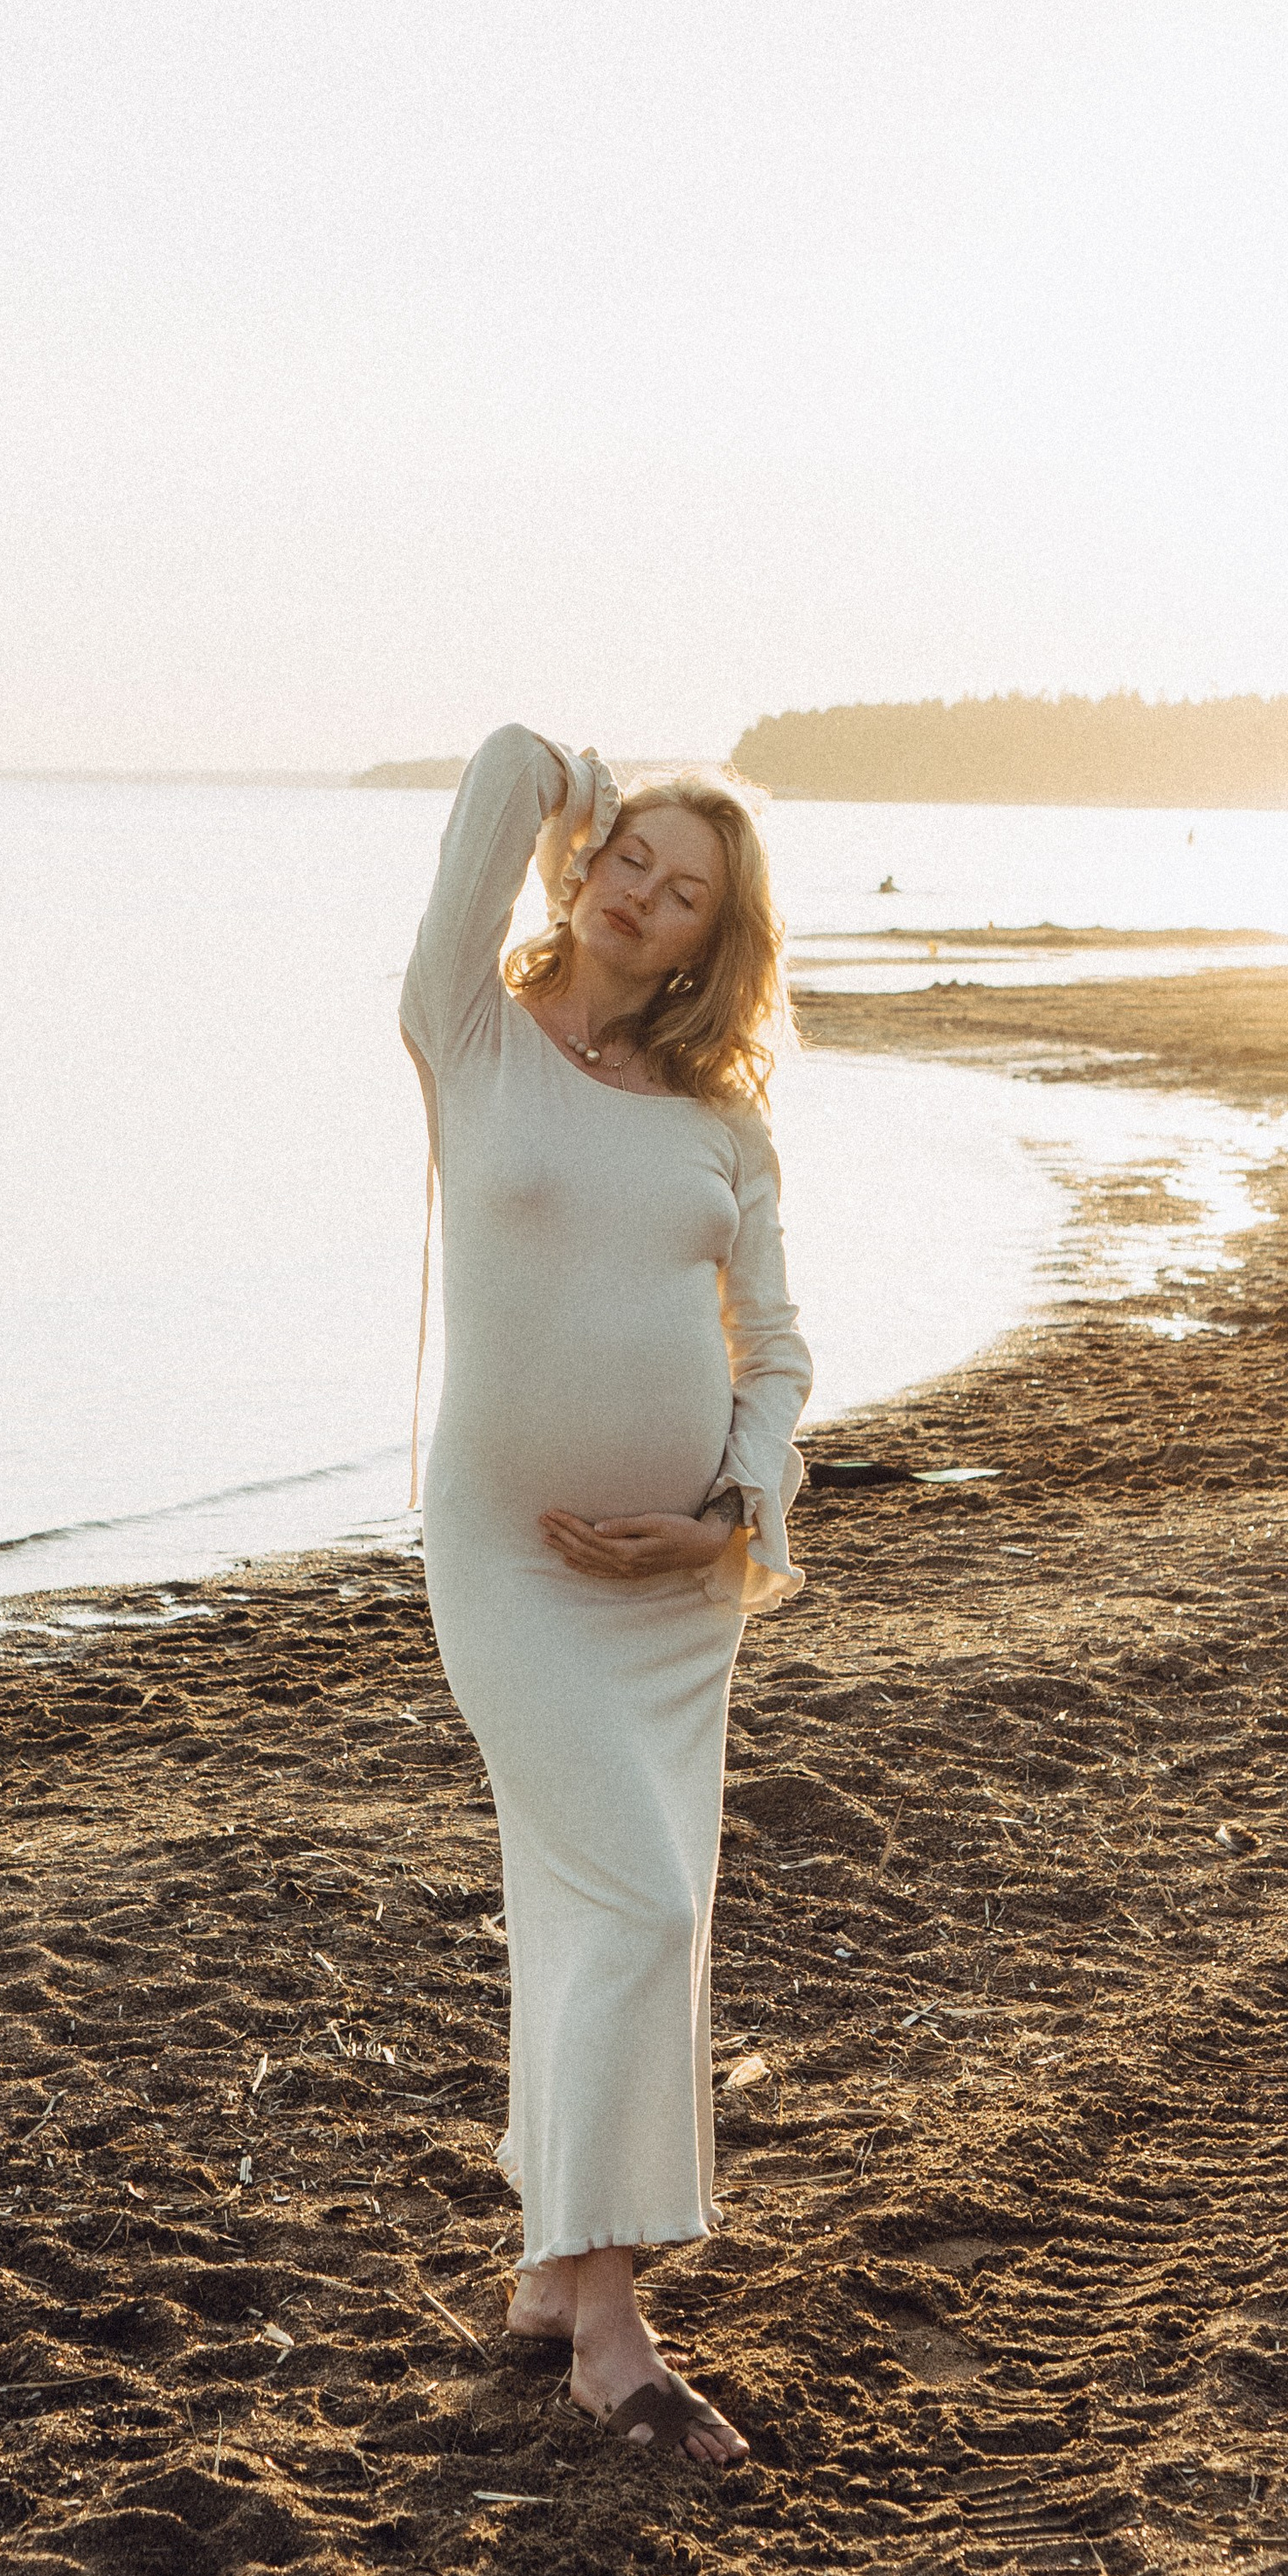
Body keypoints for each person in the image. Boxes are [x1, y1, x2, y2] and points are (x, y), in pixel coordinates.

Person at [399, 725, 814, 2463]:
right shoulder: (468, 1033)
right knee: (638, 1908)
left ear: (720, 939)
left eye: (689, 888)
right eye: (631, 860)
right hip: (505, 1562)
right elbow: (492, 773)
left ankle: (556, 2276)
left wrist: (725, 1510)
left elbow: (777, 1362)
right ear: (579, 865)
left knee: (609, 1918)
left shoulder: (725, 1126)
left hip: (677, 1599)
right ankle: (613, 2332)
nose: (648, 896)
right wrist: (584, 781)